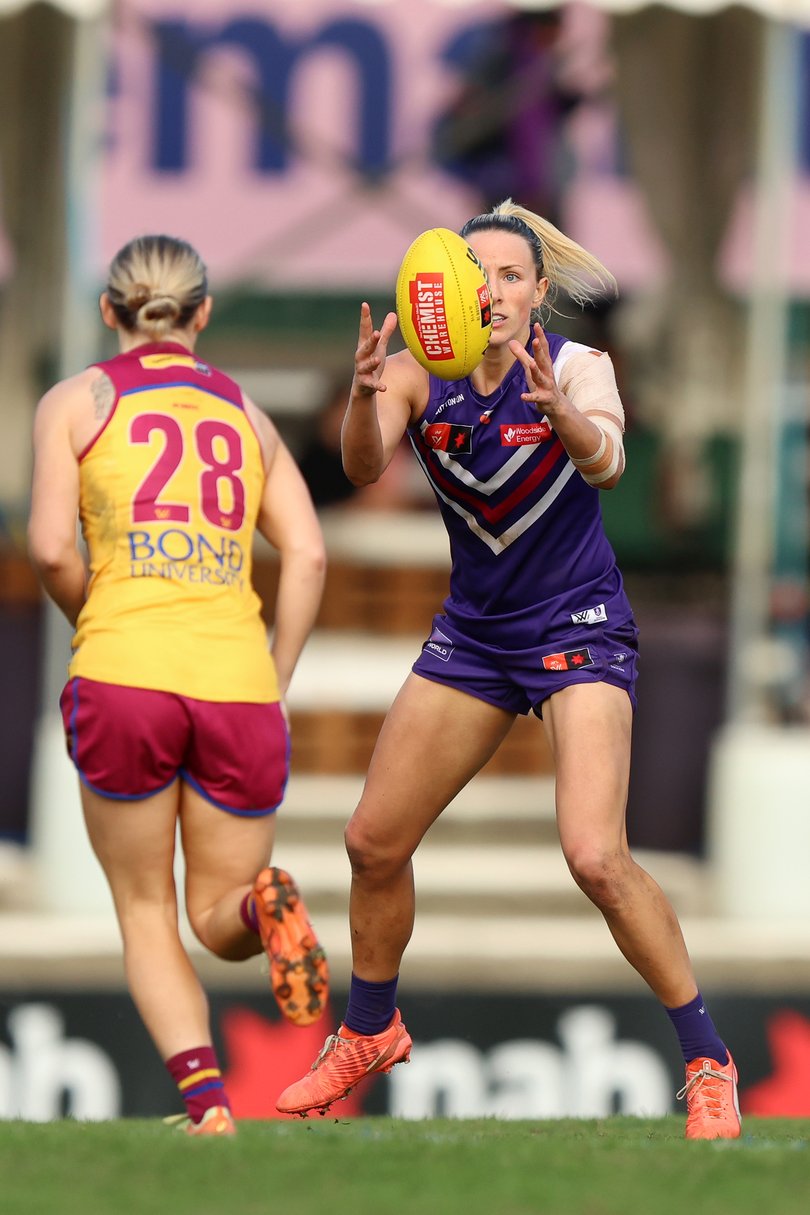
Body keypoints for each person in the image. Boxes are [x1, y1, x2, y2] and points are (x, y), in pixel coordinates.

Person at [276, 200, 740, 1140]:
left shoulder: (577, 367)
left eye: (512, 275)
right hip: (478, 636)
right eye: (476, 273)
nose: (492, 290)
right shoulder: (416, 374)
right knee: (372, 841)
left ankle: (707, 1058)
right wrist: (363, 395)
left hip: (578, 625)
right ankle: (369, 1030)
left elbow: (608, 465)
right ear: (446, 287)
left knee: (595, 856)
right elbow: (362, 471)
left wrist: (563, 417)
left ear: (538, 292)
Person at [28, 235, 329, 1137]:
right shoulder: (247, 414)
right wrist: (275, 672)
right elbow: (308, 553)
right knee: (213, 916)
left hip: (124, 671)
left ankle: (209, 1107)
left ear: (109, 311)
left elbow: (48, 547)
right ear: (203, 313)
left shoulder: (75, 401)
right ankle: (261, 906)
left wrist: (94, 614)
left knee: (148, 906)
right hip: (236, 680)